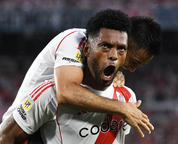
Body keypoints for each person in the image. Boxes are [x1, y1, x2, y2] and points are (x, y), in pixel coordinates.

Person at [0, 9, 162, 138]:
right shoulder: (75, 41)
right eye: (133, 61)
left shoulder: (106, 56)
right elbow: (66, 92)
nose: (132, 69)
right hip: (26, 128)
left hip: (56, 127)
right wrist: (122, 108)